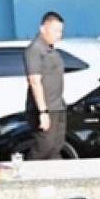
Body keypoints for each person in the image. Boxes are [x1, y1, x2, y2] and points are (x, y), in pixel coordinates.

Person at [24, 11, 67, 160]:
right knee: (43, 148)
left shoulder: (52, 50)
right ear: (43, 28)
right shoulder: (35, 49)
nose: (58, 35)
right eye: (55, 31)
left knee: (56, 148)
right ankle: (28, 173)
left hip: (58, 107)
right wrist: (43, 112)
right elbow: (34, 81)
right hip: (44, 109)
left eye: (60, 31)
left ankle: (55, 174)